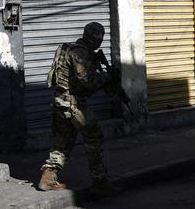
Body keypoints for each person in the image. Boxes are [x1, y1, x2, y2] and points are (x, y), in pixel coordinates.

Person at [37, 22, 128, 196]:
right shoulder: (80, 53)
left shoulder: (67, 48)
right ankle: (99, 182)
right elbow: (87, 81)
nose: (99, 41)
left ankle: (47, 178)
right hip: (73, 104)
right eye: (97, 37)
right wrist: (107, 77)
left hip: (59, 101)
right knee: (94, 138)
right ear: (91, 37)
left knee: (63, 141)